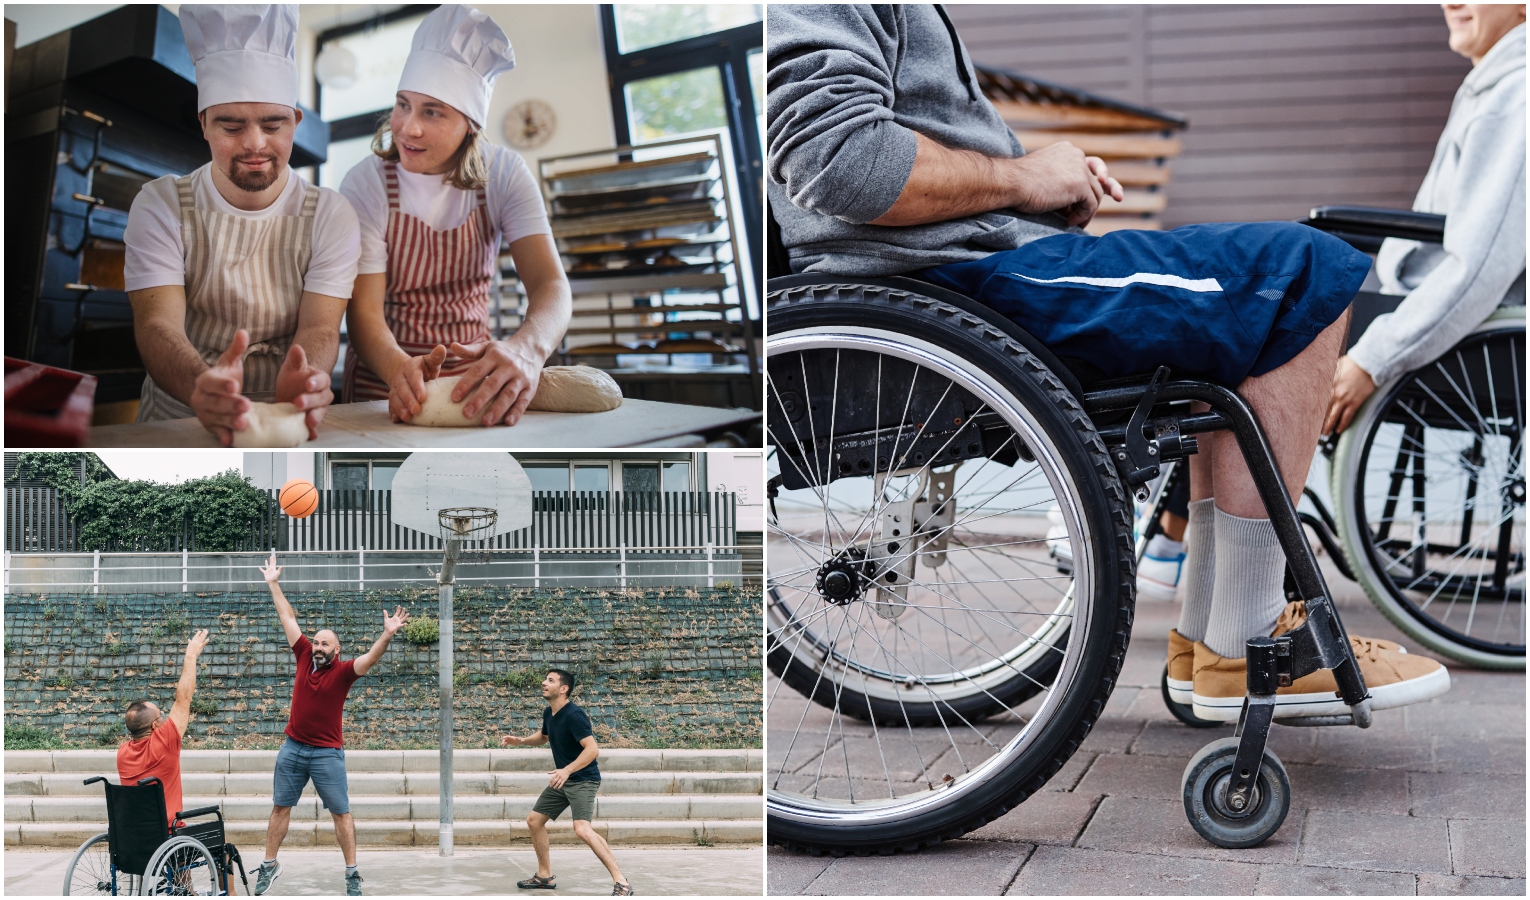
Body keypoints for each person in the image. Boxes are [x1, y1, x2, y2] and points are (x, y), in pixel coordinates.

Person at [766, 4, 1449, 721]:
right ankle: (1244, 644)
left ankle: (1216, 646)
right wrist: (1021, 179)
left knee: (1241, 315)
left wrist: (1039, 192)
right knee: (1303, 272)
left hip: (954, 279)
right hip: (949, 291)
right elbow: (840, 162)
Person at [125, 4, 359, 445]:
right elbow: (157, 325)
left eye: (273, 125)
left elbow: (320, 328)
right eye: (231, 126)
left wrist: (305, 375)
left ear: (296, 123)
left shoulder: (330, 214)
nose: (255, 144)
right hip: (180, 417)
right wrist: (202, 387)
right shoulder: (161, 204)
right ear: (204, 124)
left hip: (285, 417)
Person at [340, 4, 572, 427]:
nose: (408, 127)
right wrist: (397, 369)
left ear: (470, 124)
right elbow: (364, 314)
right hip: (385, 384)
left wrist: (527, 349)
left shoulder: (504, 174)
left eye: (432, 111)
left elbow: (551, 283)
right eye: (403, 104)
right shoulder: (366, 183)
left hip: (476, 383)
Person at [1324, 4, 1525, 436]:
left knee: (1258, 319)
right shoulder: (1489, 87)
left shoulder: (1516, 96)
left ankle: (1208, 506)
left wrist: (1370, 359)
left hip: (1479, 340)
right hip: (1432, 314)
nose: (1451, 2)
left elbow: (1481, 266)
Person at [252, 553, 408, 897]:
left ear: (337, 651)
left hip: (326, 754)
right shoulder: (304, 654)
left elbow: (371, 658)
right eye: (317, 642)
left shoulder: (343, 672)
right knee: (280, 807)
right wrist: (274, 583)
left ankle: (352, 874)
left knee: (341, 812)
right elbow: (286, 616)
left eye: (326, 644)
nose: (319, 647)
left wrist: (387, 635)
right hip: (292, 748)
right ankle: (269, 864)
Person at [500, 670, 631, 896]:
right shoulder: (549, 713)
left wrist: (567, 770)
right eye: (545, 679)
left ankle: (621, 881)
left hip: (582, 779)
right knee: (534, 821)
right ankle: (544, 876)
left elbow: (593, 750)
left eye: (550, 680)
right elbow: (544, 736)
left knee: (582, 829)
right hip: (563, 778)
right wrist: (520, 740)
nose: (543, 682)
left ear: (563, 689)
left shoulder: (574, 715)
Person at [117, 630, 212, 829]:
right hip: (169, 837)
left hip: (134, 839)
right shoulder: (164, 742)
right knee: (226, 847)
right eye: (161, 716)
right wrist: (191, 655)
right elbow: (184, 698)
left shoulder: (123, 753)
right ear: (155, 726)